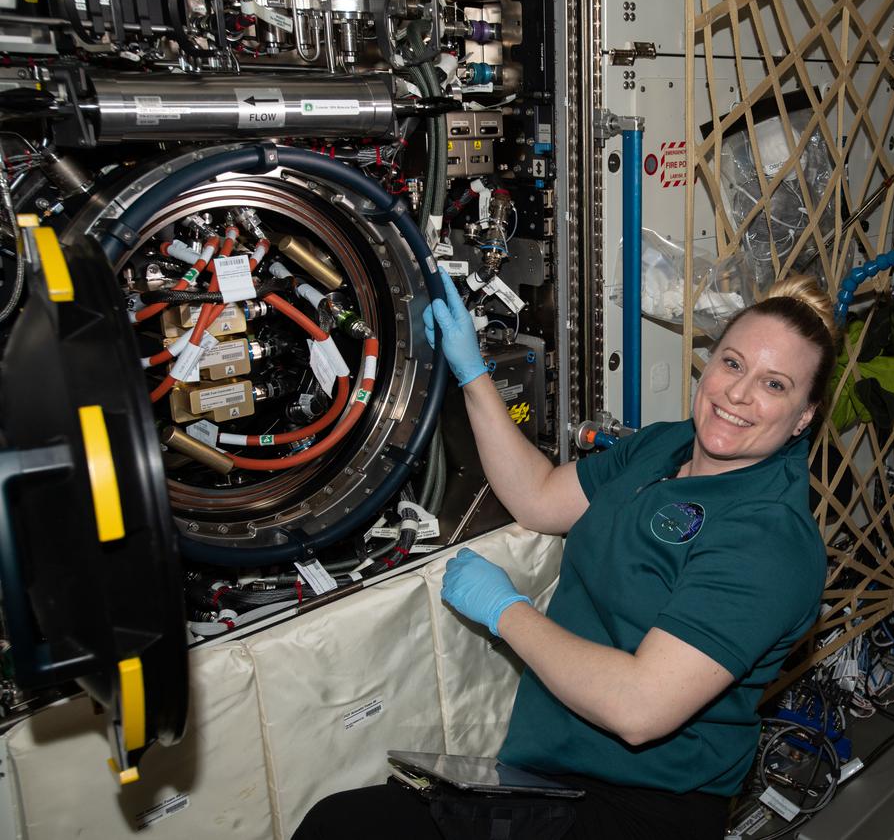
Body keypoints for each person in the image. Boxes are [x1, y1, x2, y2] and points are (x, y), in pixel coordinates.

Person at [293, 272, 837, 840]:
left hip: (643, 806)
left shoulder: (770, 540)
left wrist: (506, 611)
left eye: (775, 384)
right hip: (546, 772)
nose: (739, 394)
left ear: (804, 415)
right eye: (732, 363)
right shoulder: (666, 445)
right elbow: (540, 496)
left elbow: (640, 708)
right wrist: (472, 372)